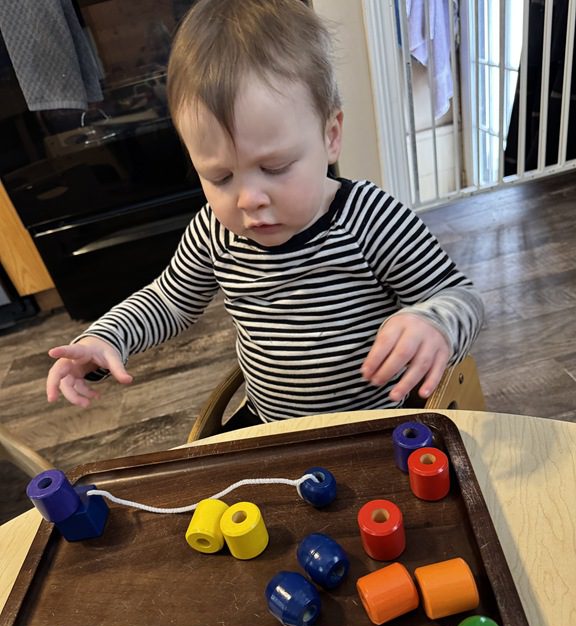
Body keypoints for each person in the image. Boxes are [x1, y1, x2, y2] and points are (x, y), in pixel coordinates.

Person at [46, 0, 484, 430]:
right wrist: (106, 337)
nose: (248, 199)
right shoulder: (214, 233)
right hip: (271, 428)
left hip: (376, 425)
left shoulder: (372, 219)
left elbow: (462, 298)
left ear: (330, 136)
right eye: (219, 176)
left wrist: (434, 323)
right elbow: (168, 301)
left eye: (275, 167)